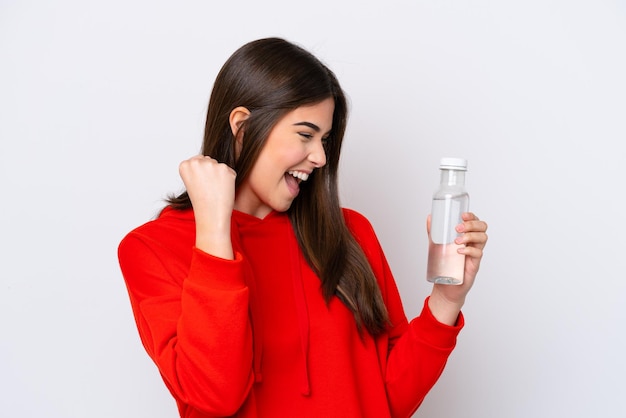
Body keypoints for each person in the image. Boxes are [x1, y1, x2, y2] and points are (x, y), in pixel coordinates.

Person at [118, 37, 488, 418]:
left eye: (325, 139)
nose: (321, 157)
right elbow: (216, 396)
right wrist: (214, 230)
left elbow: (386, 401)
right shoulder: (152, 248)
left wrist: (447, 301)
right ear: (243, 128)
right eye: (305, 135)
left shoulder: (350, 232)